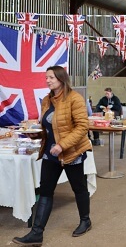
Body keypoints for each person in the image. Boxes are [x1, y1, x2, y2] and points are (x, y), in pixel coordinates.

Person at [12, 66, 92, 246]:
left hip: (72, 152)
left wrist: (62, 145)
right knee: (46, 191)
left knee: (78, 188)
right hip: (50, 153)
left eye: (51, 77)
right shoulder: (47, 100)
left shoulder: (75, 99)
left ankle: (85, 220)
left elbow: (82, 127)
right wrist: (38, 134)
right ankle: (36, 233)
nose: (47, 80)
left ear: (61, 78)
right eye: (46, 77)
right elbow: (50, 126)